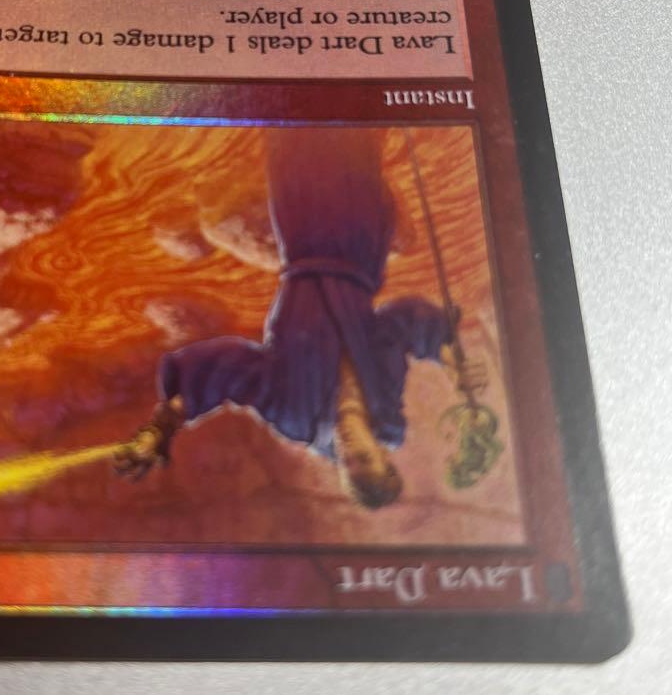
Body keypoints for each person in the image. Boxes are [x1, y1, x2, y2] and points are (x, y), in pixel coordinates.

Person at [114, 126, 485, 507]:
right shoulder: (384, 396)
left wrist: (164, 424)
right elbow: (398, 324)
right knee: (360, 133)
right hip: (362, 239)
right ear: (383, 454)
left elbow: (230, 373)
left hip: (304, 232)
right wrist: (449, 357)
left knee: (294, 133)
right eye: (364, 457)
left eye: (347, 464)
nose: (349, 451)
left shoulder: (293, 416)